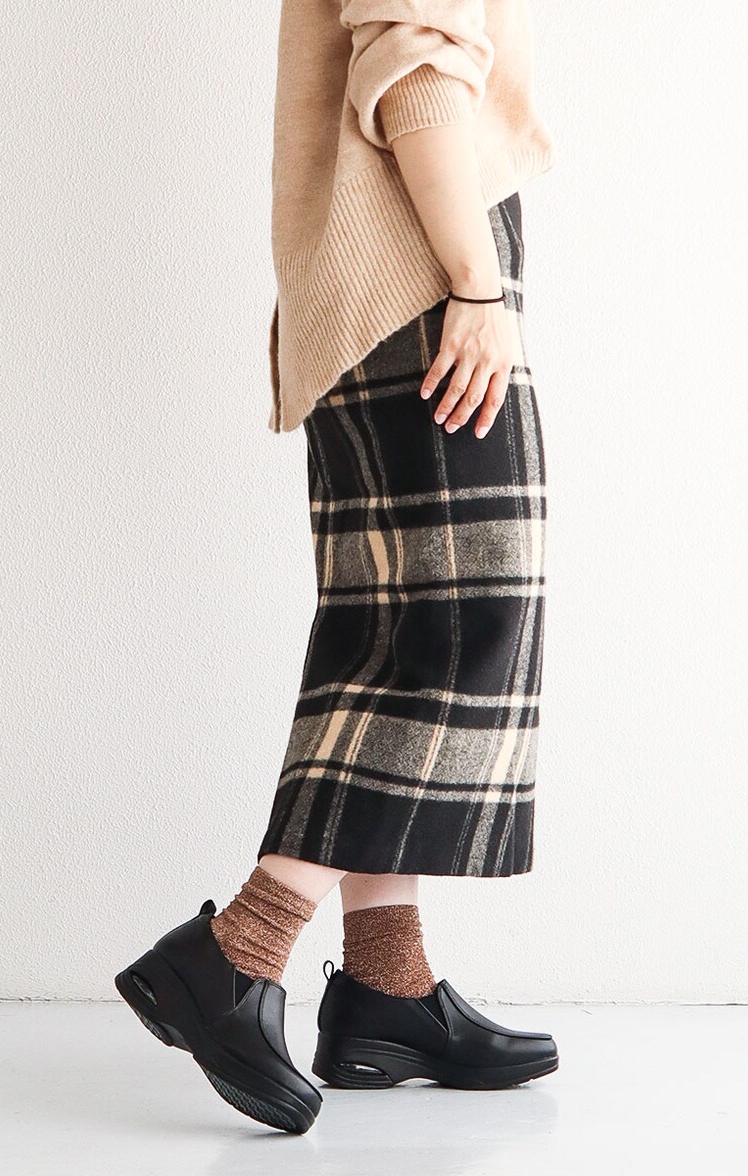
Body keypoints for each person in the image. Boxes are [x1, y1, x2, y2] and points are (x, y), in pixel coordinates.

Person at [115, 0, 559, 1134]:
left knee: (398, 625)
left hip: (385, 274)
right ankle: (236, 950)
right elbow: (415, 66)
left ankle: (384, 988)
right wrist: (474, 283)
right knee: (458, 626)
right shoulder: (448, 273)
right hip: (418, 274)